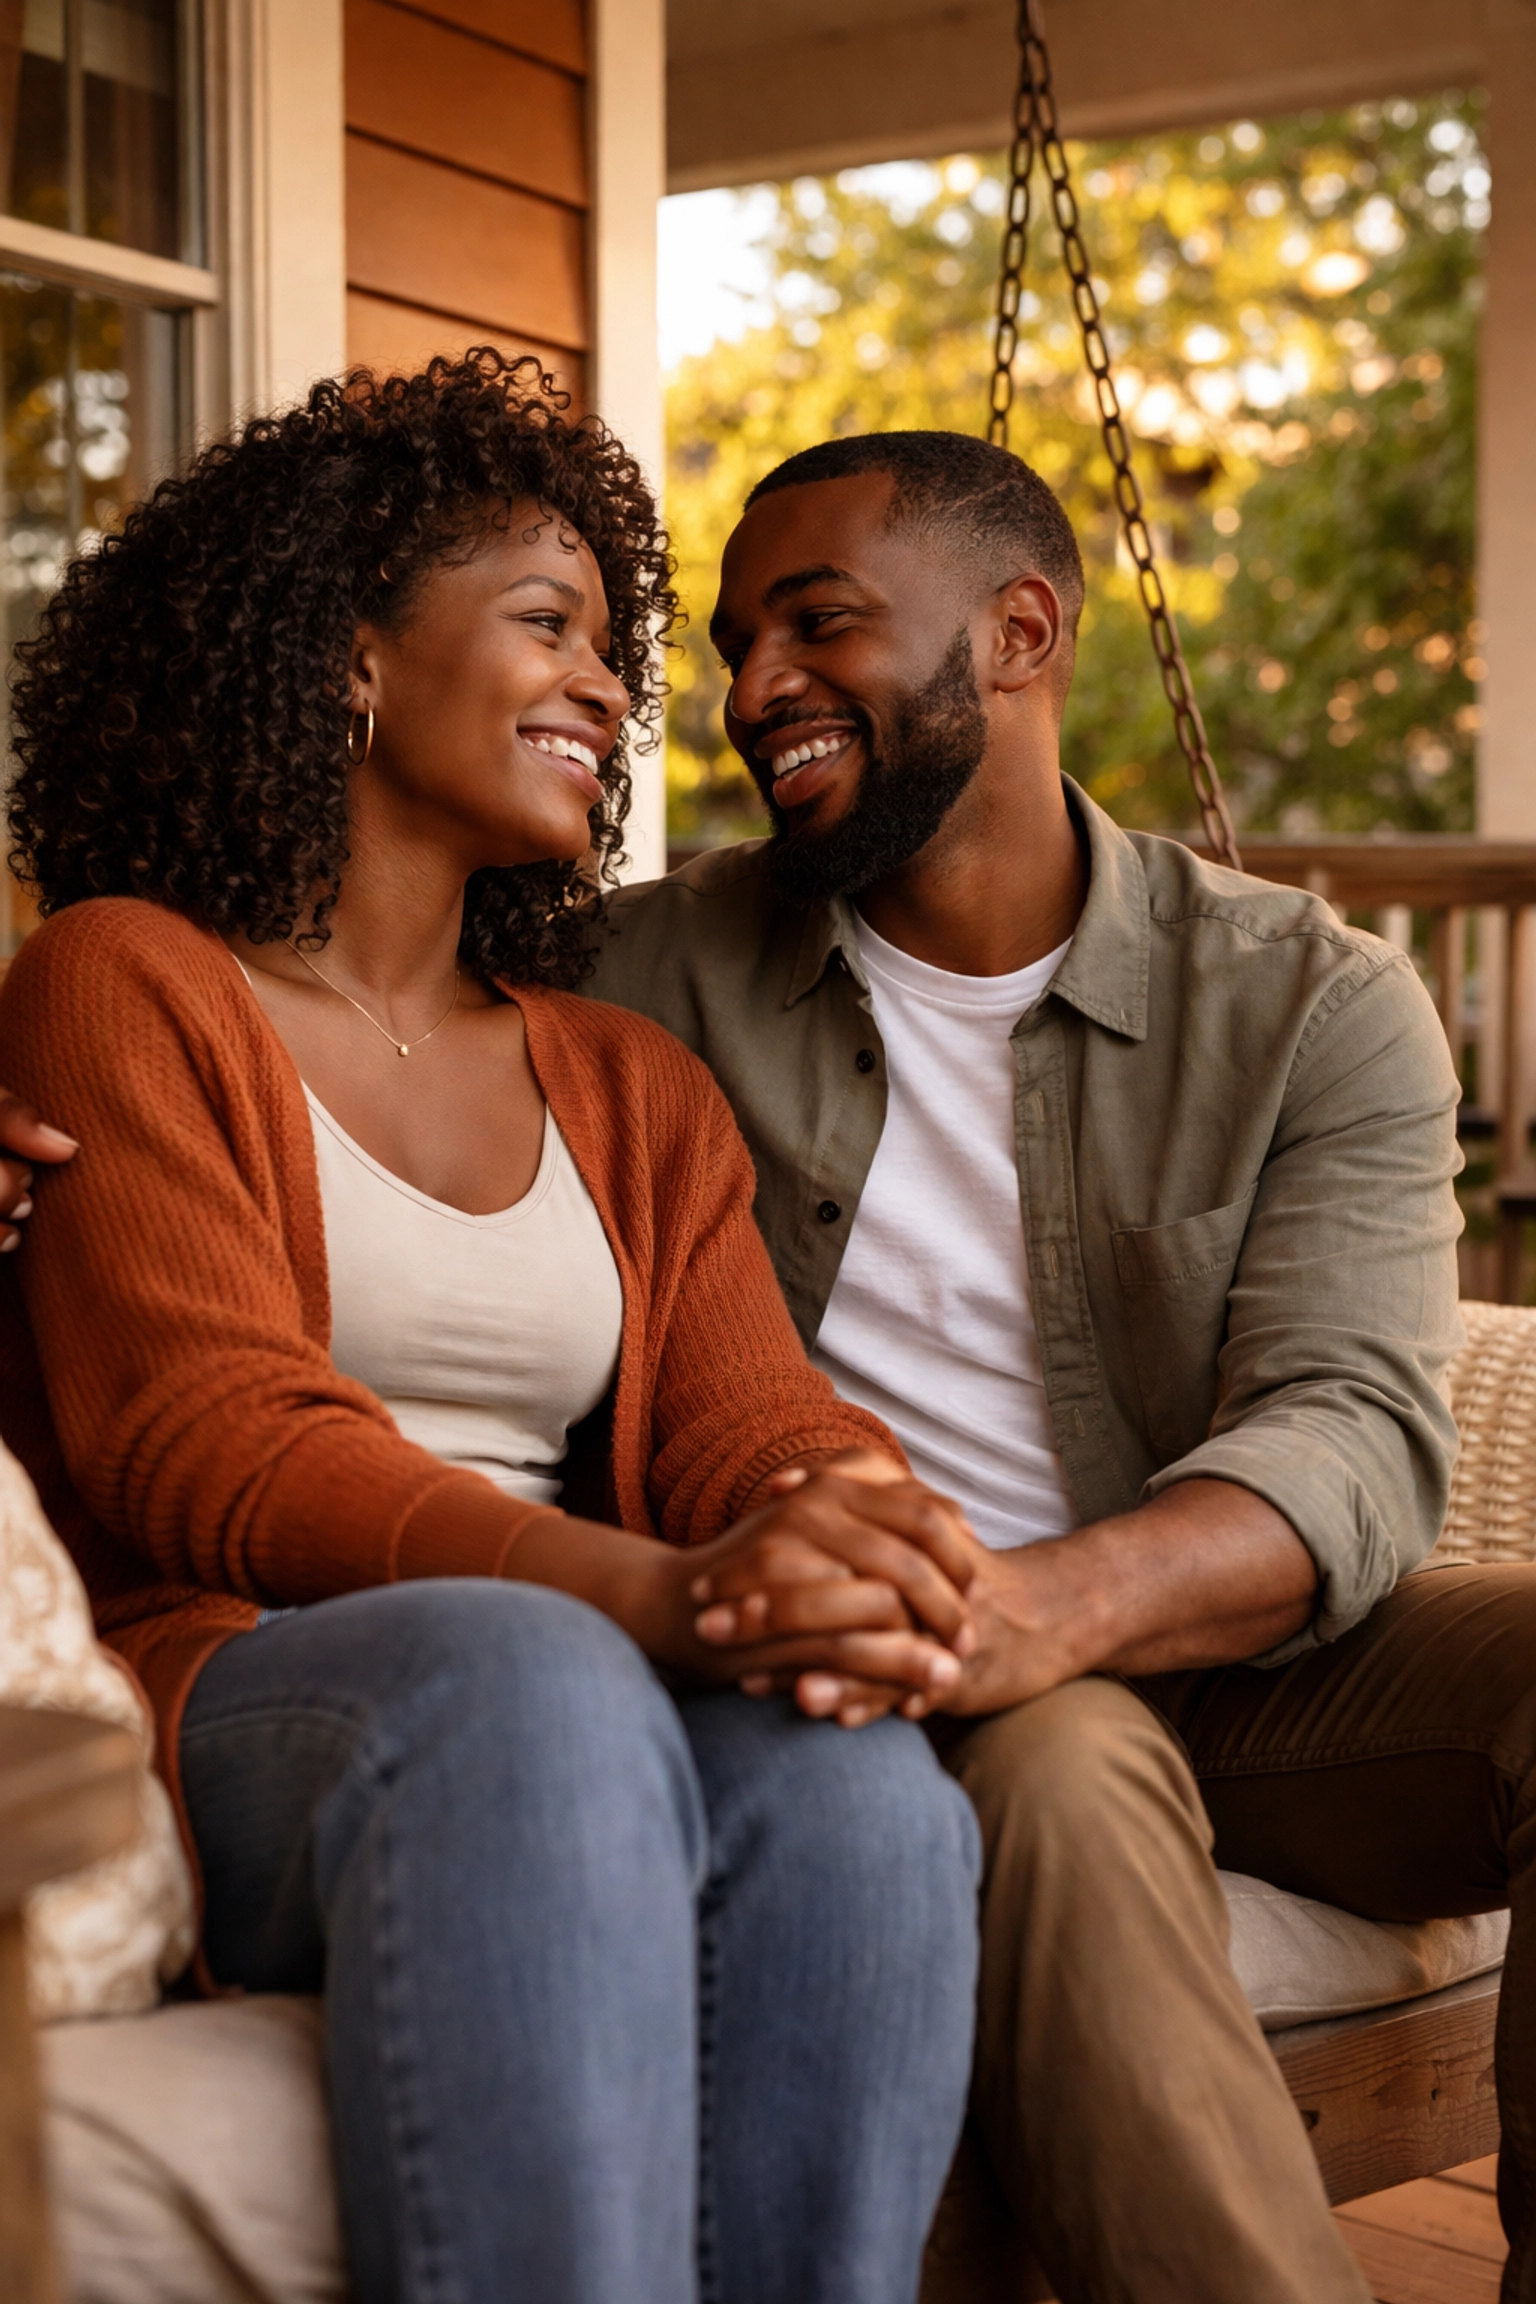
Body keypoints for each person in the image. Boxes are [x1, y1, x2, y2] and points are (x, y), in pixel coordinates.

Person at [0, 365, 984, 2304]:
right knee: (524, 1684)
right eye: (549, 623)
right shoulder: (124, 979)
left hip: (587, 1650)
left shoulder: (625, 1081)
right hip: (252, 1686)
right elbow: (210, 1438)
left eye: (616, 653)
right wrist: (652, 1595)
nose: (614, 692)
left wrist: (852, 1535)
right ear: (351, 656)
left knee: (859, 1778)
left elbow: (750, 1421)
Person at [571, 431, 1536, 2304]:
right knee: (1071, 1770)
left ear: (1021, 631)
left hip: (1242, 1664)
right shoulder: (641, 968)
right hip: (913, 1667)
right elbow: (307, 992)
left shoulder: (1310, 1001)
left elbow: (1349, 1431)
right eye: (734, 640)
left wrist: (1051, 1601)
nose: (750, 689)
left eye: (815, 623)